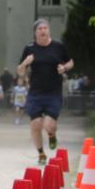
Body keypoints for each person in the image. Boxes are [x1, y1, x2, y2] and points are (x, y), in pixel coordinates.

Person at [17, 18, 73, 165]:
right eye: (40, 29)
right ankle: (41, 154)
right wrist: (25, 63)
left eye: (45, 28)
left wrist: (64, 68)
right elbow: (20, 72)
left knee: (49, 124)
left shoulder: (58, 46)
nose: (43, 31)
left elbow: (70, 61)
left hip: (53, 93)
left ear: (49, 30)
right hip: (35, 93)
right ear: (35, 33)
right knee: (35, 124)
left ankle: (51, 134)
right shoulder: (29, 48)